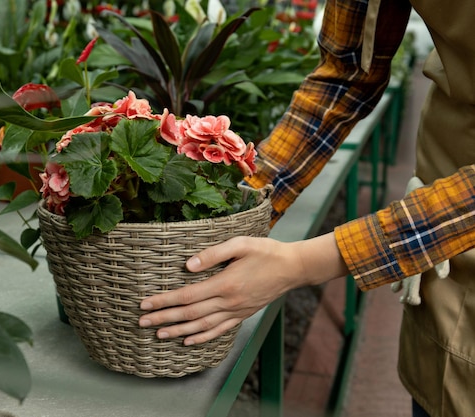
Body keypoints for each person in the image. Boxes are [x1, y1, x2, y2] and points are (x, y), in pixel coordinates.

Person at [138, 0, 475, 416]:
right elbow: (348, 73)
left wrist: (300, 264)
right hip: (441, 205)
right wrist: (242, 205)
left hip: (451, 215)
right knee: (437, 376)